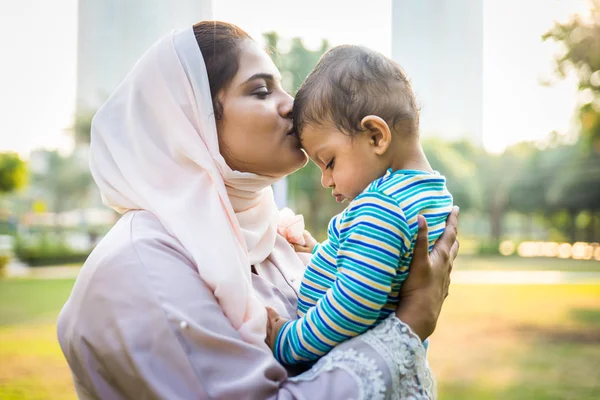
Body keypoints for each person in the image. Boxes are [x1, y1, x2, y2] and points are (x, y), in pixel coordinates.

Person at [57, 21, 459, 400]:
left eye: (282, 87)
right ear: (190, 122)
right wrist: (409, 324)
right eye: (262, 90)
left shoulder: (271, 237)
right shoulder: (137, 269)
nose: (292, 105)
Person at [266, 45, 453, 366]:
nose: (326, 180)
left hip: (348, 366)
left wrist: (290, 341)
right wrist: (325, 252)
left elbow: (355, 304)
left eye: (329, 162)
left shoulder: (382, 207)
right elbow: (382, 269)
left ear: (376, 136)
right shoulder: (431, 194)